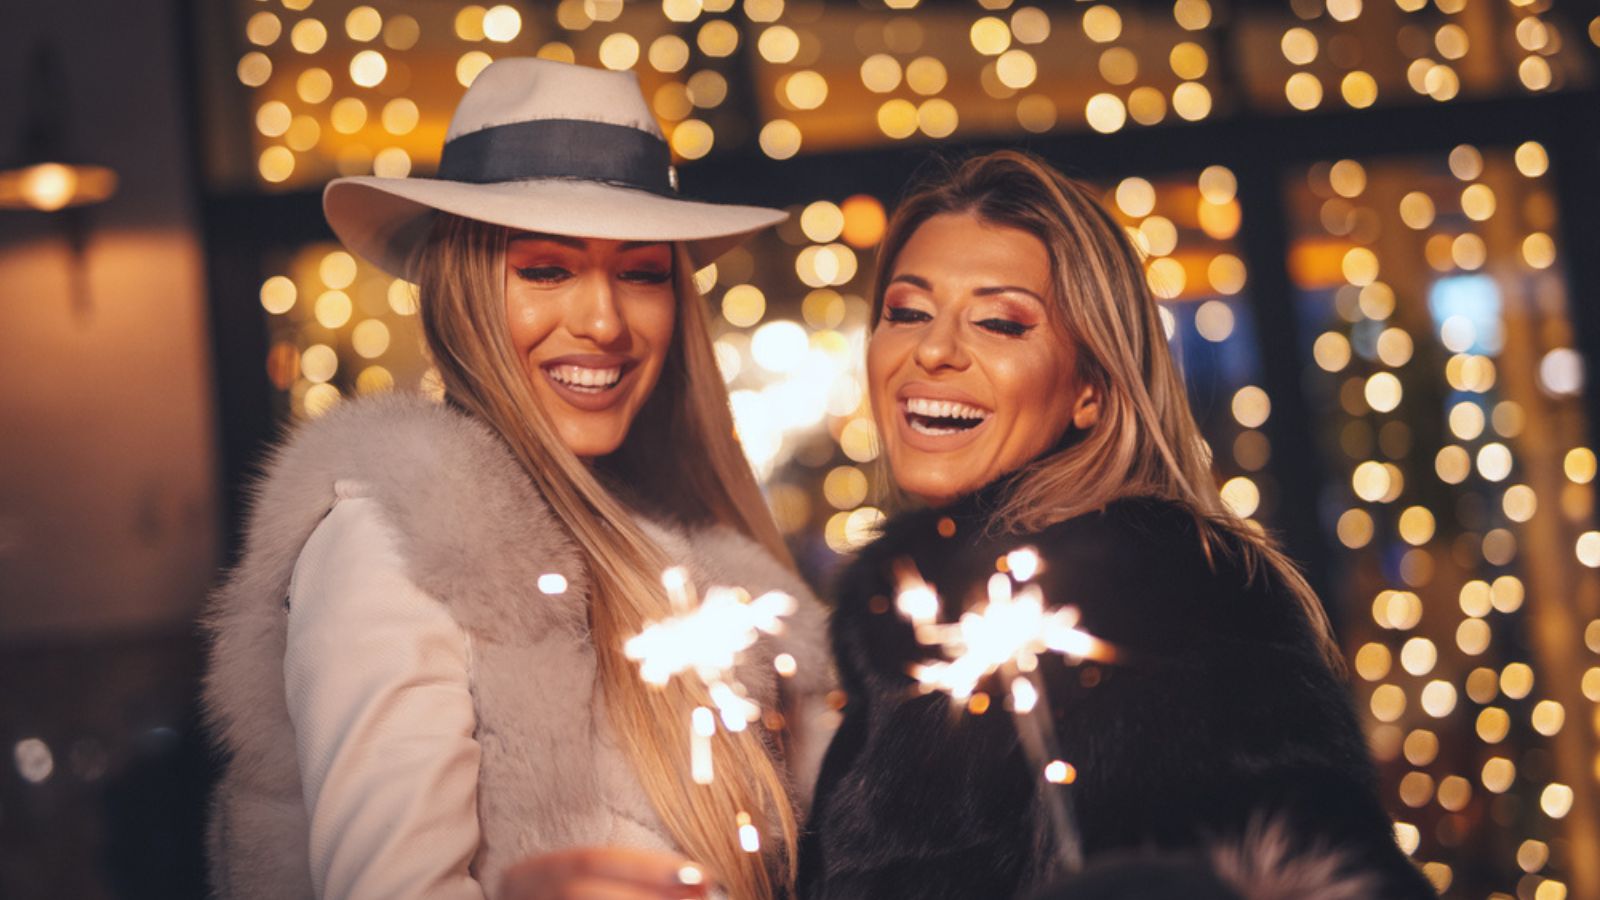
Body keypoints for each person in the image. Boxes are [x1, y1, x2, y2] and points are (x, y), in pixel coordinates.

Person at [203, 59, 832, 900]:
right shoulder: (402, 540)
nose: (604, 322)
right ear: (460, 293)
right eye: (546, 270)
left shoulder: (687, 558)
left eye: (641, 273)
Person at [795, 151, 1436, 899]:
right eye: (907, 312)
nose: (932, 350)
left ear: (1092, 389)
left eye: (1000, 323)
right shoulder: (912, 625)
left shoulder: (1165, 600)